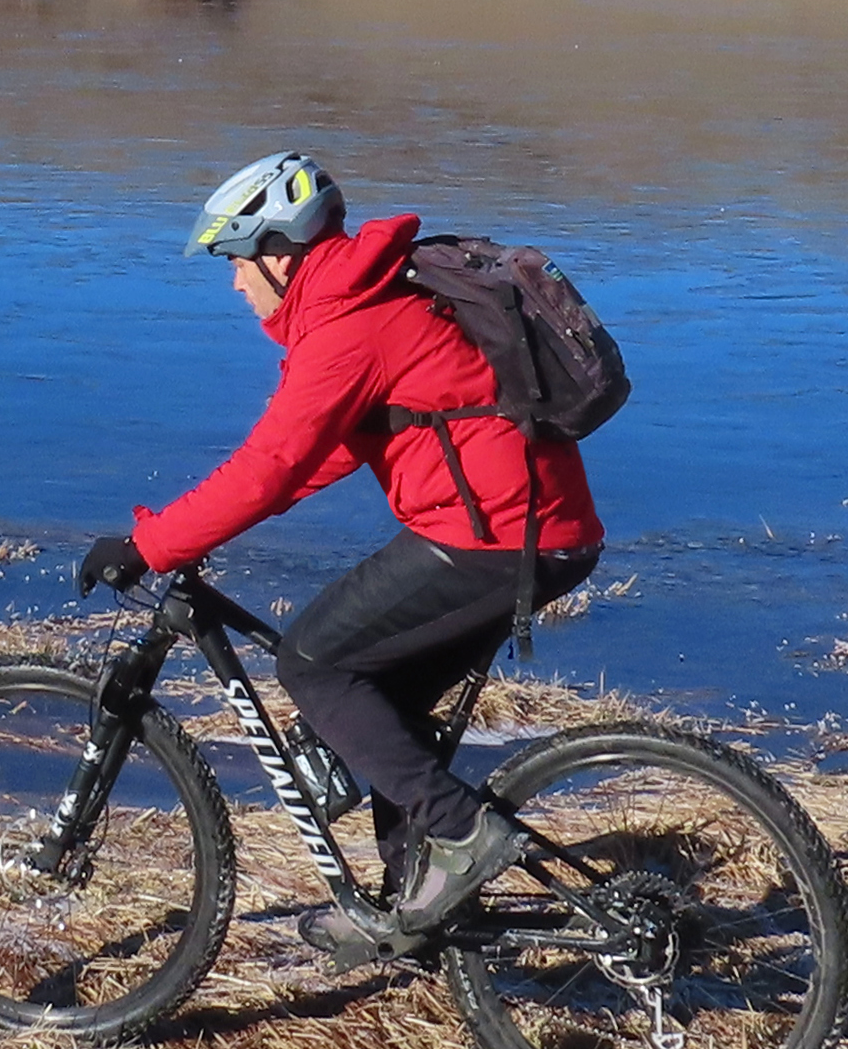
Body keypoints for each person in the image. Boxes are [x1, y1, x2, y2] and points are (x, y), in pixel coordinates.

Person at [77, 149, 599, 956]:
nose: (234, 283)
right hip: (528, 526)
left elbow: (270, 466)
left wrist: (150, 542)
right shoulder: (363, 301)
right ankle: (414, 904)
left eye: (237, 260)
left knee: (315, 665)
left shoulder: (350, 328)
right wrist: (197, 525)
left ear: (280, 253)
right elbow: (318, 456)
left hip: (495, 536)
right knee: (382, 702)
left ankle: (461, 838)